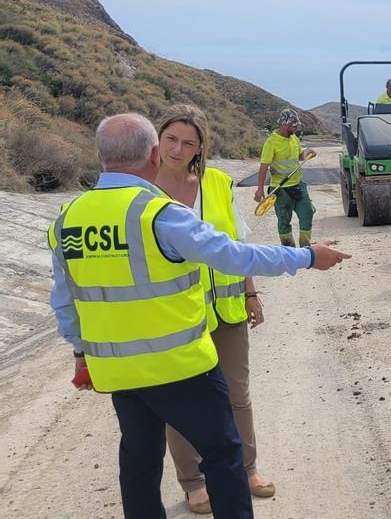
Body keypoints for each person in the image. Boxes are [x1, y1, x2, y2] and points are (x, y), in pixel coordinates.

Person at [50, 113, 350, 517]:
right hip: (178, 364)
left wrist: (80, 354)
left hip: (117, 370)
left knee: (138, 459)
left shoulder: (68, 219)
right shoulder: (158, 213)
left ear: (100, 154)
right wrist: (309, 255)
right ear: (154, 152)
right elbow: (235, 254)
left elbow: (66, 301)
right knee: (224, 452)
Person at [150, 105, 274, 514]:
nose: (177, 148)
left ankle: (246, 470)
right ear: (158, 138)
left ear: (200, 146)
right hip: (173, 319)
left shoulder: (217, 183)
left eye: (188, 142)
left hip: (226, 312)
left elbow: (238, 248)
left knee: (237, 396)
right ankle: (193, 482)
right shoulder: (142, 188)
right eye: (170, 138)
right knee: (181, 403)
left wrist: (251, 294)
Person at [254, 109, 316, 247]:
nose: (296, 128)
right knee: (284, 221)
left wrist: (306, 153)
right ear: (284, 125)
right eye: (293, 126)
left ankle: (305, 247)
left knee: (307, 214)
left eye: (296, 125)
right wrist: (260, 189)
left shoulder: (294, 138)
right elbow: (263, 168)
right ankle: (289, 249)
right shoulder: (271, 142)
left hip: (298, 185)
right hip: (280, 190)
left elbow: (299, 155)